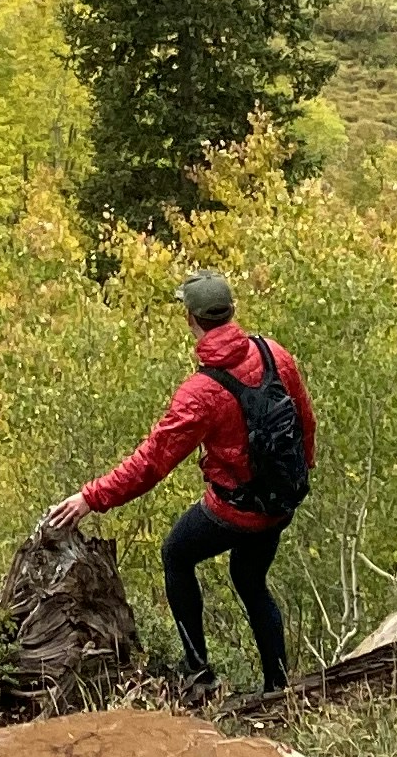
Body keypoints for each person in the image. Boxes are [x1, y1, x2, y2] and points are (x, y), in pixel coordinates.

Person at [41, 271, 315, 696]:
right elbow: (304, 422)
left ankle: (199, 673)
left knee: (176, 553)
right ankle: (278, 687)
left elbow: (151, 463)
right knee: (250, 580)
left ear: (191, 320)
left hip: (236, 510)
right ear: (232, 313)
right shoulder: (274, 354)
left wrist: (90, 498)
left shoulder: (201, 392)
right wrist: (299, 477)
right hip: (281, 501)